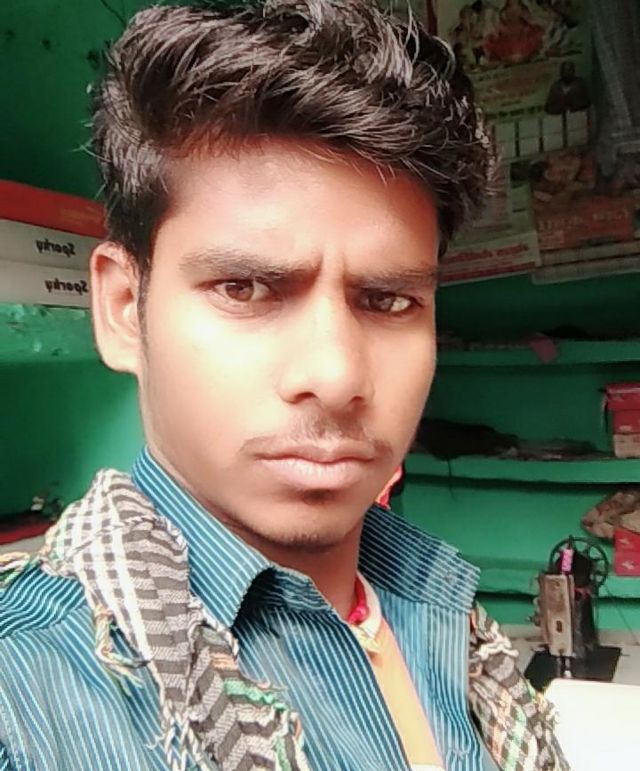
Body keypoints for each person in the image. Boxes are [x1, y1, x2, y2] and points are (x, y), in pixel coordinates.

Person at [0, 3, 568, 770]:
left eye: (389, 300)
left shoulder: (445, 620)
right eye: (245, 288)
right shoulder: (29, 696)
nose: (335, 376)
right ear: (125, 310)